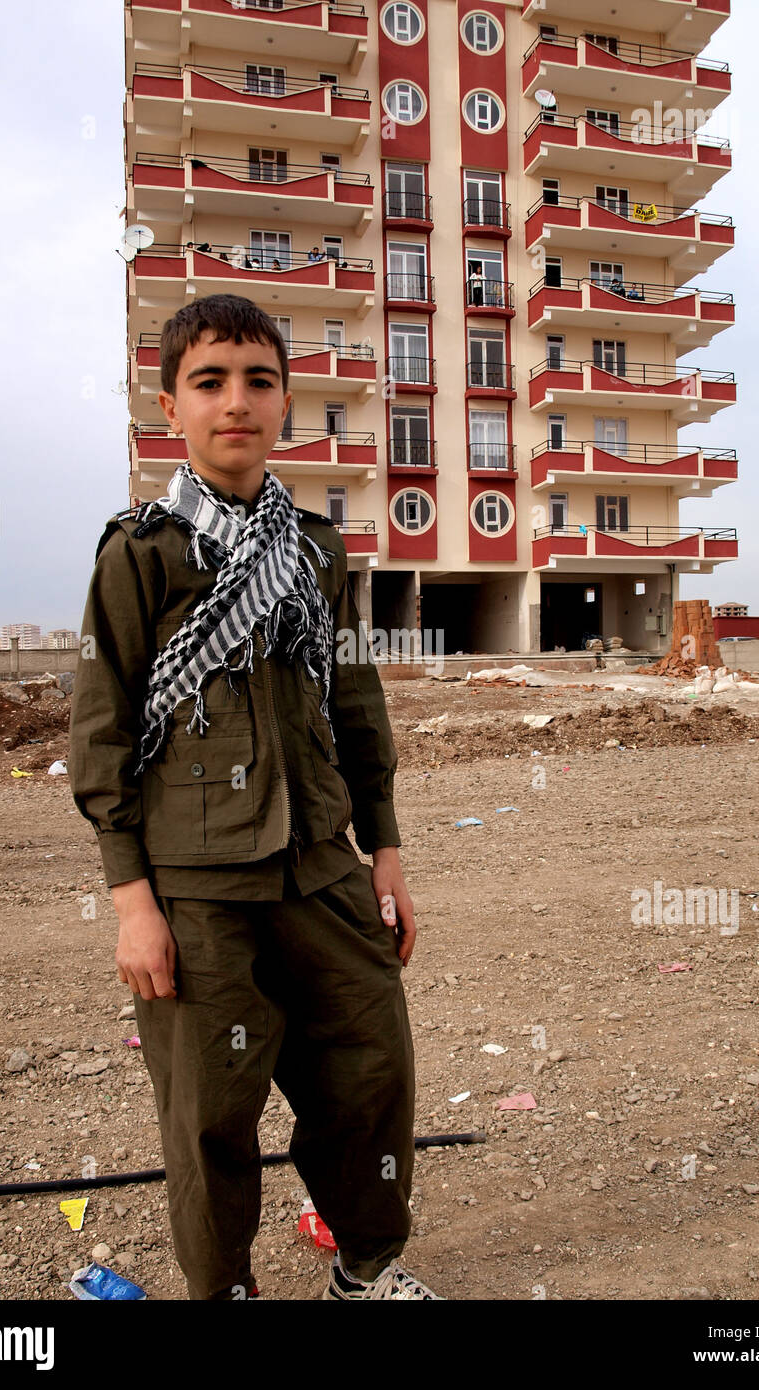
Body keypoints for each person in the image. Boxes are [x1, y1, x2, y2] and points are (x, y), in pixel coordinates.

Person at [68, 293, 439, 1303]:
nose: (237, 400)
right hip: (196, 884)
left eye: (259, 379)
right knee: (209, 1113)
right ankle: (224, 1289)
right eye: (210, 380)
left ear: (286, 401)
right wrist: (133, 904)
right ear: (170, 407)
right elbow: (99, 738)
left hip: (321, 860)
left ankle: (364, 1267)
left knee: (371, 1072)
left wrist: (387, 853)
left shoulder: (316, 548)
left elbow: (352, 702)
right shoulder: (139, 554)